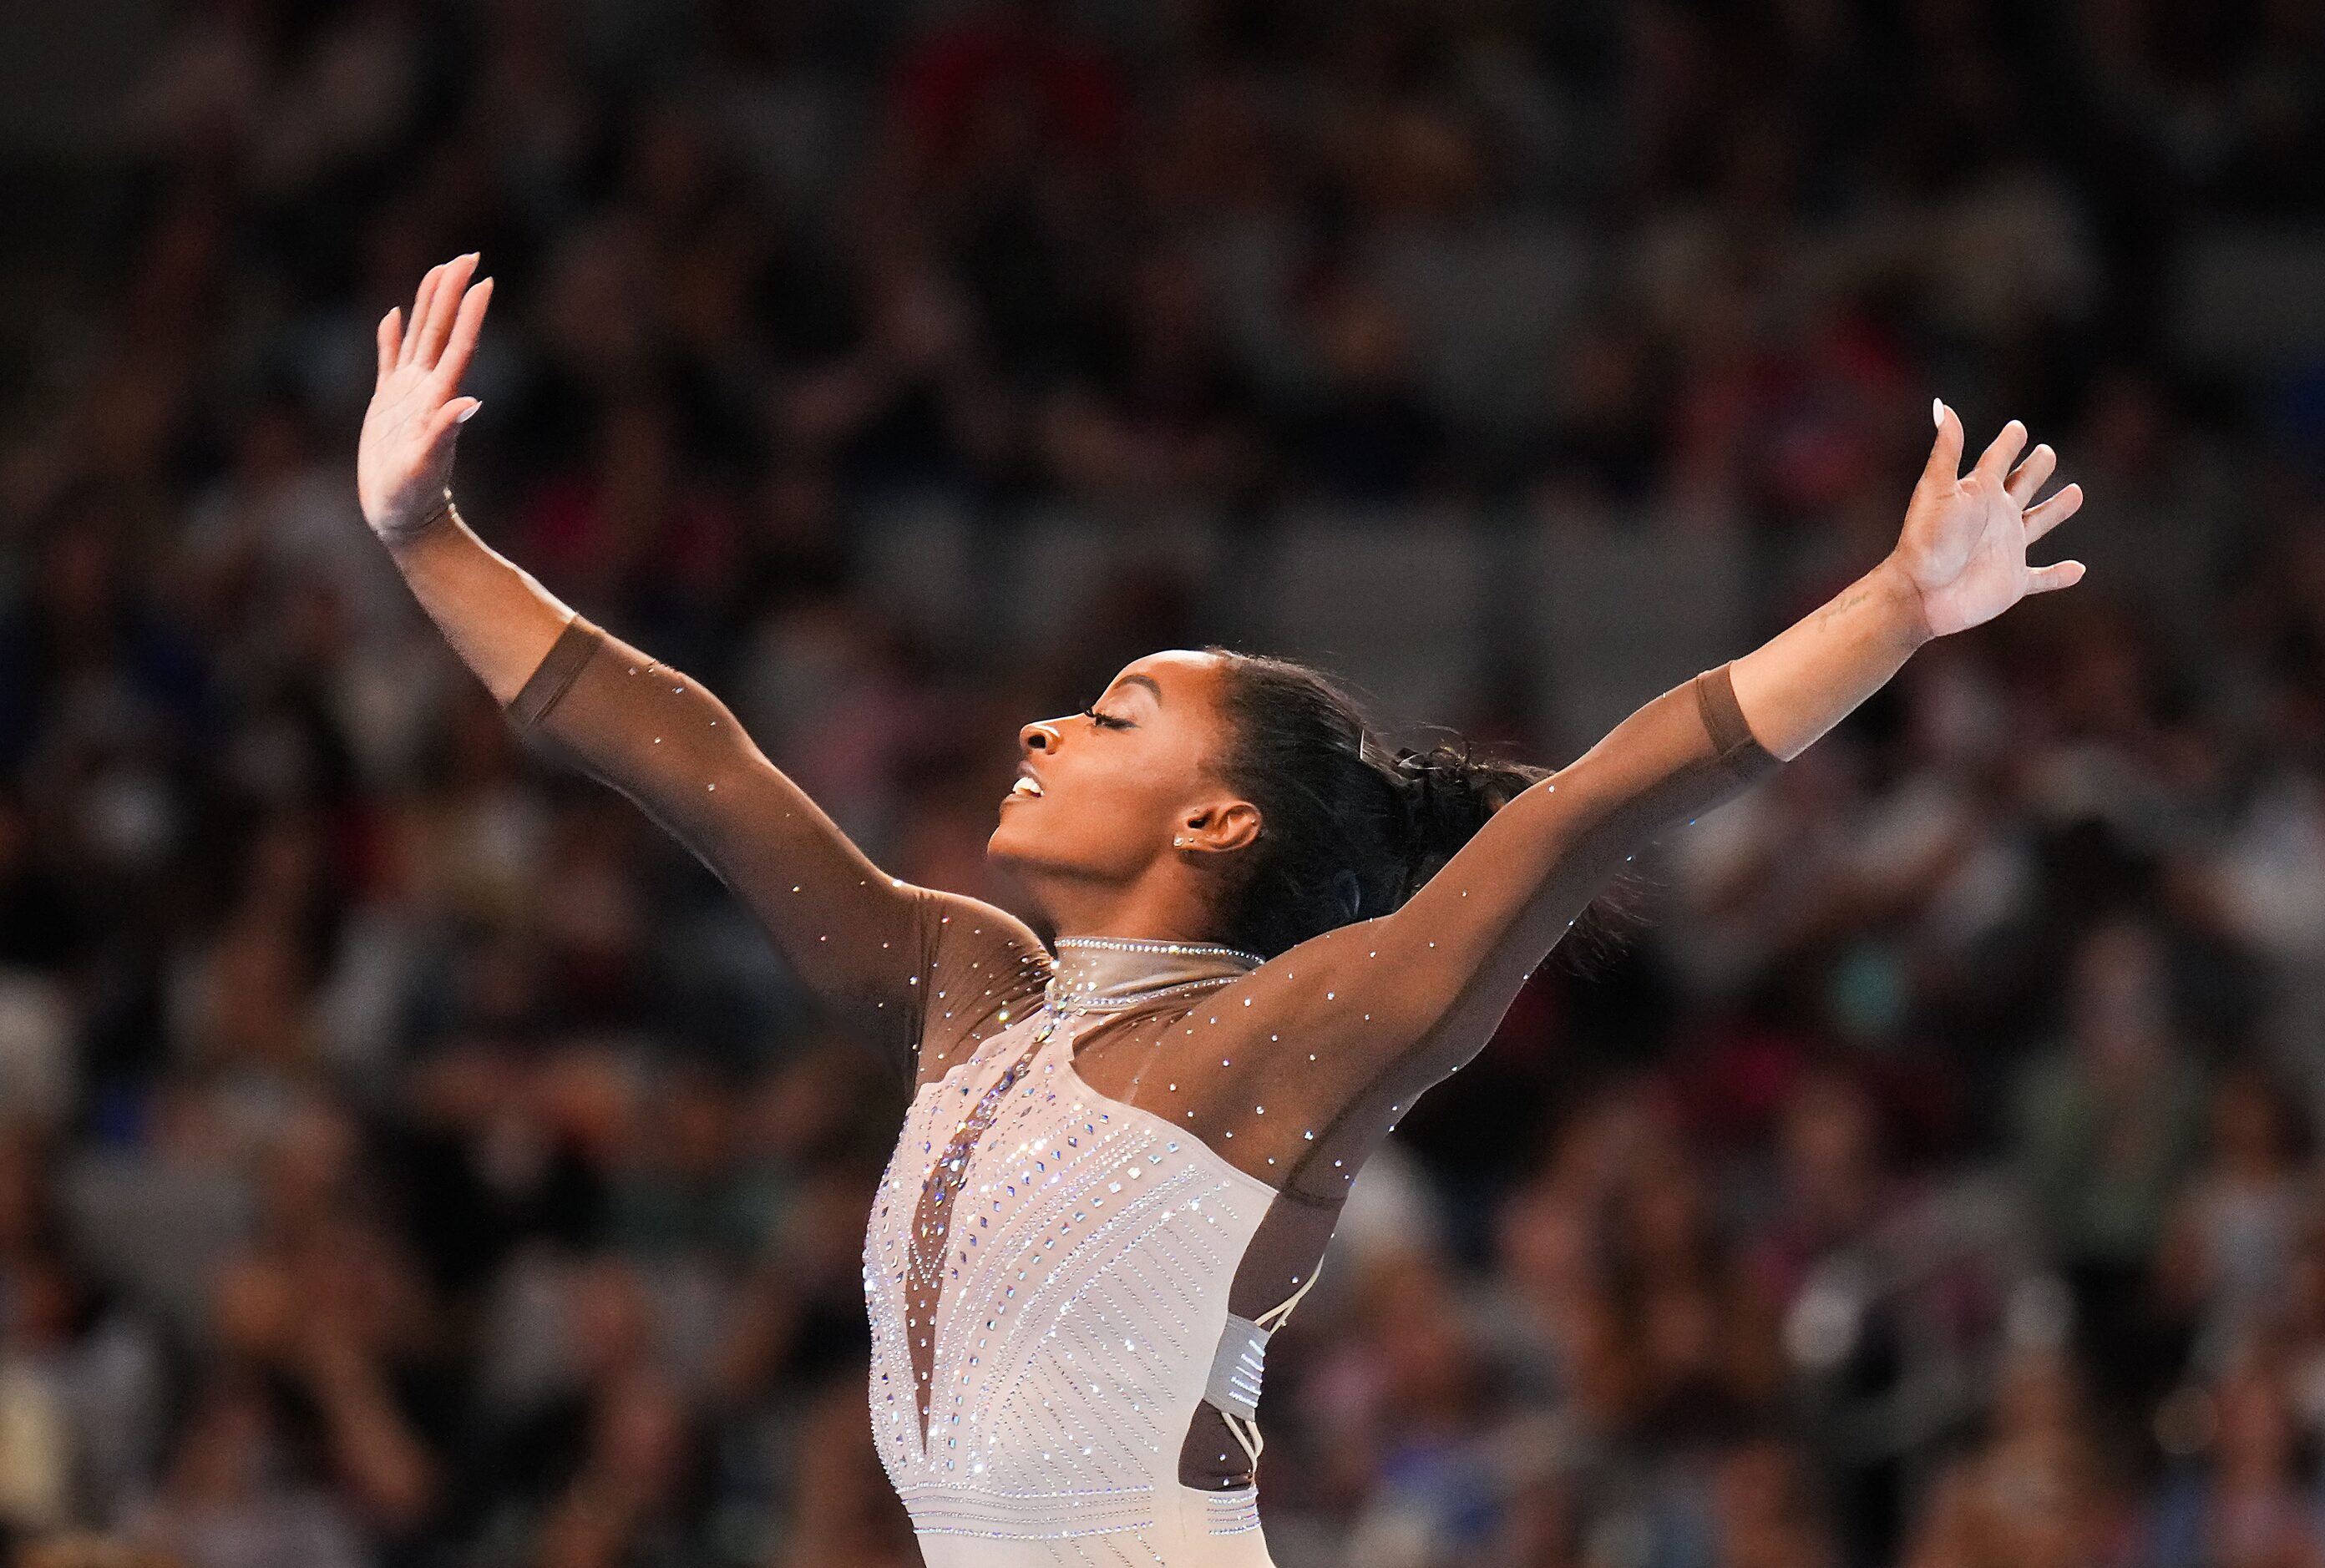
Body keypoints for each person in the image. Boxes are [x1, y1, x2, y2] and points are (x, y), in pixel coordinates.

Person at [354, 254, 2086, 1567]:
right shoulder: (966, 989)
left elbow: (1593, 807)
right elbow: (705, 774)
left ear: (1215, 815)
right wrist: (426, 534)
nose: (1040, 725)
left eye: (1110, 714)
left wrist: (1893, 608)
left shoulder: (1276, 1043)